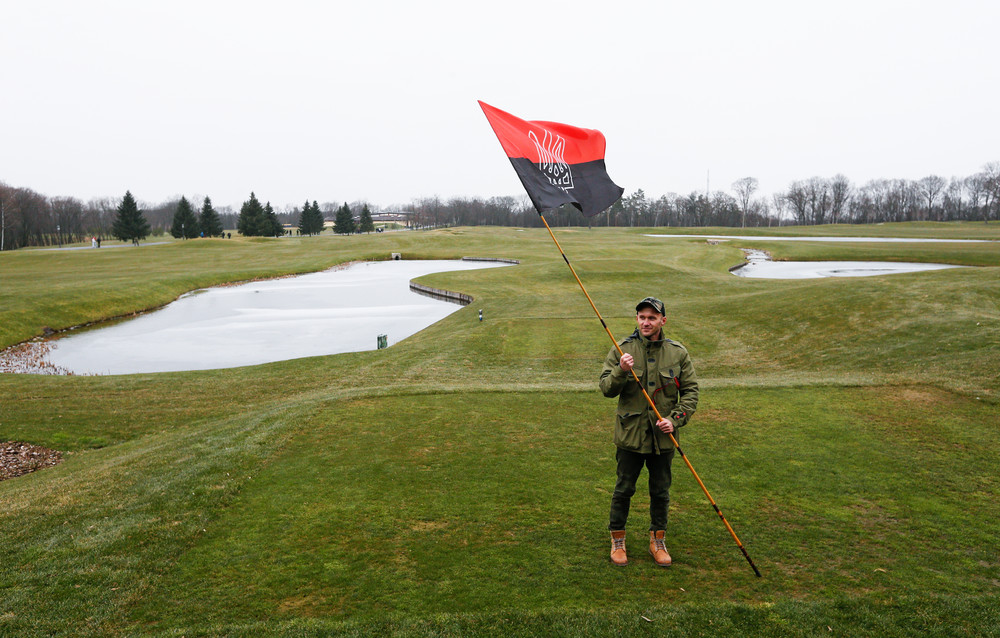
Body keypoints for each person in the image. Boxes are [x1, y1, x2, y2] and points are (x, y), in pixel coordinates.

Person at [599, 296, 699, 567]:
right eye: (642, 317)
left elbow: (691, 392)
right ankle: (617, 540)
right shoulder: (621, 349)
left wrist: (674, 420)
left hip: (663, 438)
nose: (646, 322)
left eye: (652, 318)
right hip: (629, 436)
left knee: (661, 492)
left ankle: (658, 540)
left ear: (662, 321)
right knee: (623, 489)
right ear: (637, 319)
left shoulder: (678, 353)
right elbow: (606, 389)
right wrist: (621, 370)